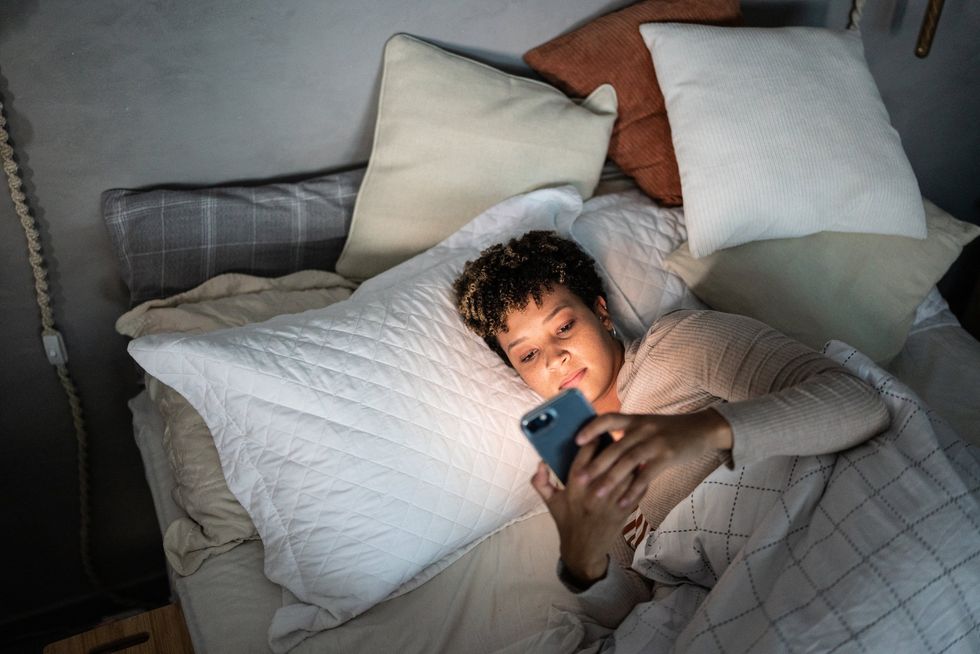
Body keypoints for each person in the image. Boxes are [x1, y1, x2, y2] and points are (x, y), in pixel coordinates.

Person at [452, 230, 890, 628]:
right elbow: (632, 608)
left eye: (564, 326)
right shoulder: (582, 475)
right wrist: (581, 561)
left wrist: (698, 433)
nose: (554, 358)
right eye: (528, 355)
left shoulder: (676, 346)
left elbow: (858, 403)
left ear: (601, 313)